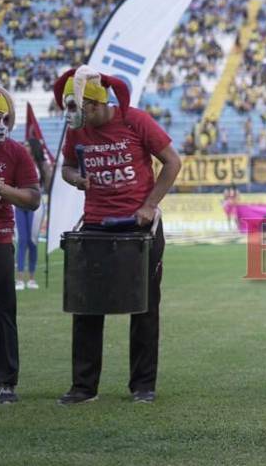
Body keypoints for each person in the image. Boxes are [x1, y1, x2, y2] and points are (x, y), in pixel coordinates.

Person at [52, 66, 182, 405]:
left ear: (97, 104)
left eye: (82, 110)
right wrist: (75, 179)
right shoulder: (77, 131)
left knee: (144, 308)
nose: (78, 117)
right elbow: (66, 167)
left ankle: (142, 386)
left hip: (138, 226)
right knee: (87, 307)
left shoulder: (135, 121)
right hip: (95, 224)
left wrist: (149, 205)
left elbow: (172, 162)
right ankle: (84, 387)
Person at [0, 85, 40, 404]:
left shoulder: (15, 151)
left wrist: (6, 190)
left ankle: (5, 383)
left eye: (5, 117)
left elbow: (33, 198)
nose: (1, 124)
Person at [14, 138, 51, 291]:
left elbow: (47, 186)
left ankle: (32, 278)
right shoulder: (19, 162)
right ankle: (20, 278)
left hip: (35, 205)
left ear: (34, 147)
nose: (25, 146)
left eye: (28, 145)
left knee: (32, 241)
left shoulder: (42, 165)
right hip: (19, 204)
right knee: (21, 240)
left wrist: (48, 171)